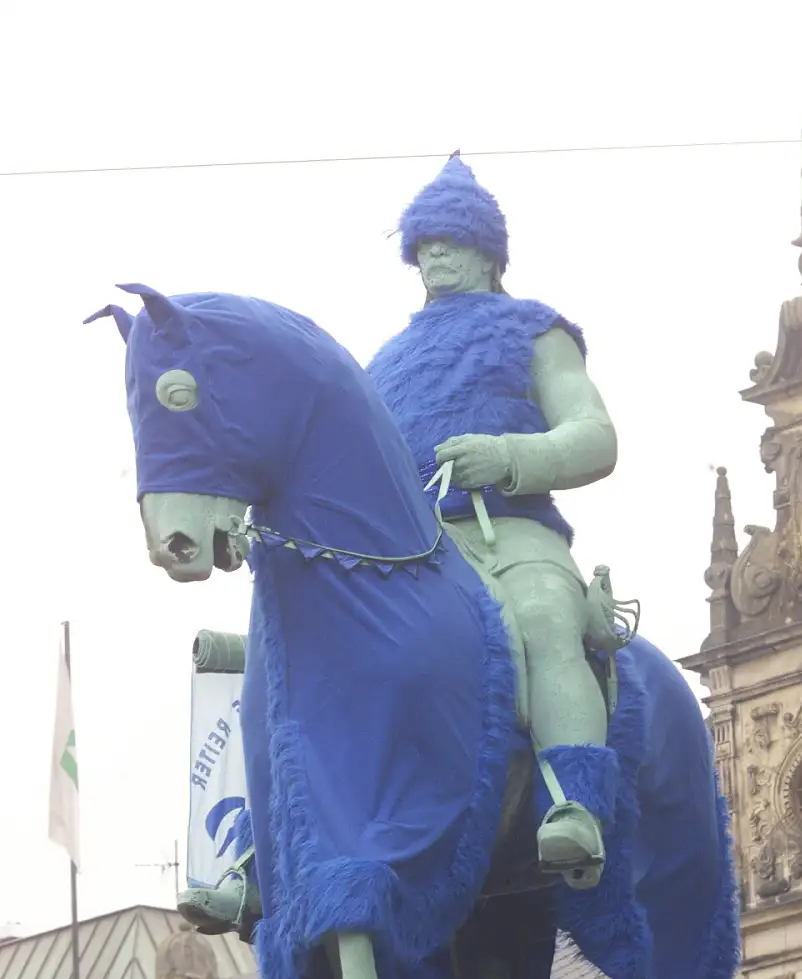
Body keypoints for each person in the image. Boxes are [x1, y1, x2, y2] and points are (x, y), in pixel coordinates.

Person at [179, 155, 618, 935]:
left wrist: (510, 457)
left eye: (449, 241)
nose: (434, 257)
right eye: (422, 246)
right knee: (292, 670)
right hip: (406, 552)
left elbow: (594, 437)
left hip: (506, 531)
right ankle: (263, 854)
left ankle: (574, 801)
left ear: (489, 252)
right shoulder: (382, 363)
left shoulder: (537, 332)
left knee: (548, 616)